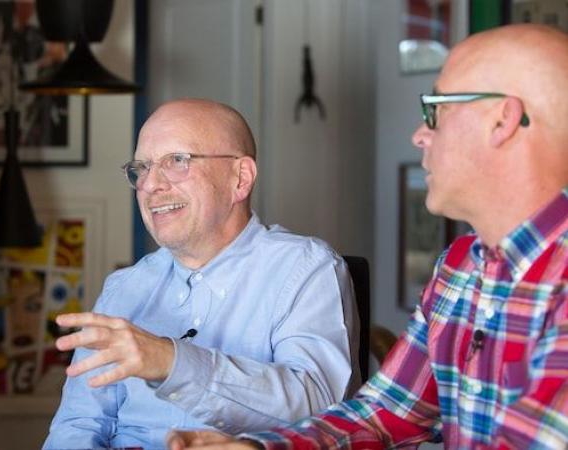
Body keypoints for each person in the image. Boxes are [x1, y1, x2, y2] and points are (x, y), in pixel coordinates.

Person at [167, 23, 568, 450]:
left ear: (501, 120)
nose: (419, 134)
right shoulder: (461, 265)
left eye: (435, 109)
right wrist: (259, 448)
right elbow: (387, 413)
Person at [43, 99, 361, 449]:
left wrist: (171, 362)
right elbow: (78, 425)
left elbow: (320, 409)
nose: (149, 185)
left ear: (240, 178)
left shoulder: (307, 268)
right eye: (142, 168)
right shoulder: (124, 288)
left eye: (177, 161)